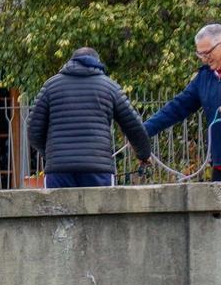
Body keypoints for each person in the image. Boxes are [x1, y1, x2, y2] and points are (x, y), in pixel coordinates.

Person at [145, 23, 221, 181]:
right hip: (220, 166)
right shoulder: (205, 76)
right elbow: (178, 106)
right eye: (200, 54)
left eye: (208, 53)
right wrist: (143, 131)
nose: (204, 59)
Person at [26, 47, 150, 188]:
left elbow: (33, 130)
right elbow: (133, 126)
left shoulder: (51, 86)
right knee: (101, 209)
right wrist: (143, 154)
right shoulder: (109, 87)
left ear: (71, 62)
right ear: (97, 62)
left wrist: (51, 156)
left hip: (59, 171)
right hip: (98, 169)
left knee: (59, 209)